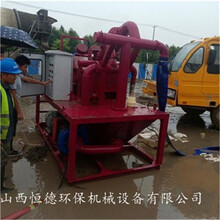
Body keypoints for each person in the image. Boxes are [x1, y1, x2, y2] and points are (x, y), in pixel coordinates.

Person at [10, 55, 51, 155]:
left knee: (12, 127)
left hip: (14, 106)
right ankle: (9, 150)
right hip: (12, 106)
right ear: (19, 66)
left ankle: (10, 148)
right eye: (25, 67)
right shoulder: (13, 78)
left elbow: (27, 79)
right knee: (10, 128)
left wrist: (42, 83)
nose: (26, 69)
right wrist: (19, 112)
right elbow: (14, 96)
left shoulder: (18, 75)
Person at [0, 58, 22, 193]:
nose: (16, 77)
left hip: (6, 134)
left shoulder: (6, 89)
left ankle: (1, 178)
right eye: (13, 74)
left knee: (3, 159)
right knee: (1, 160)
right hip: (1, 136)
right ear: (3, 75)